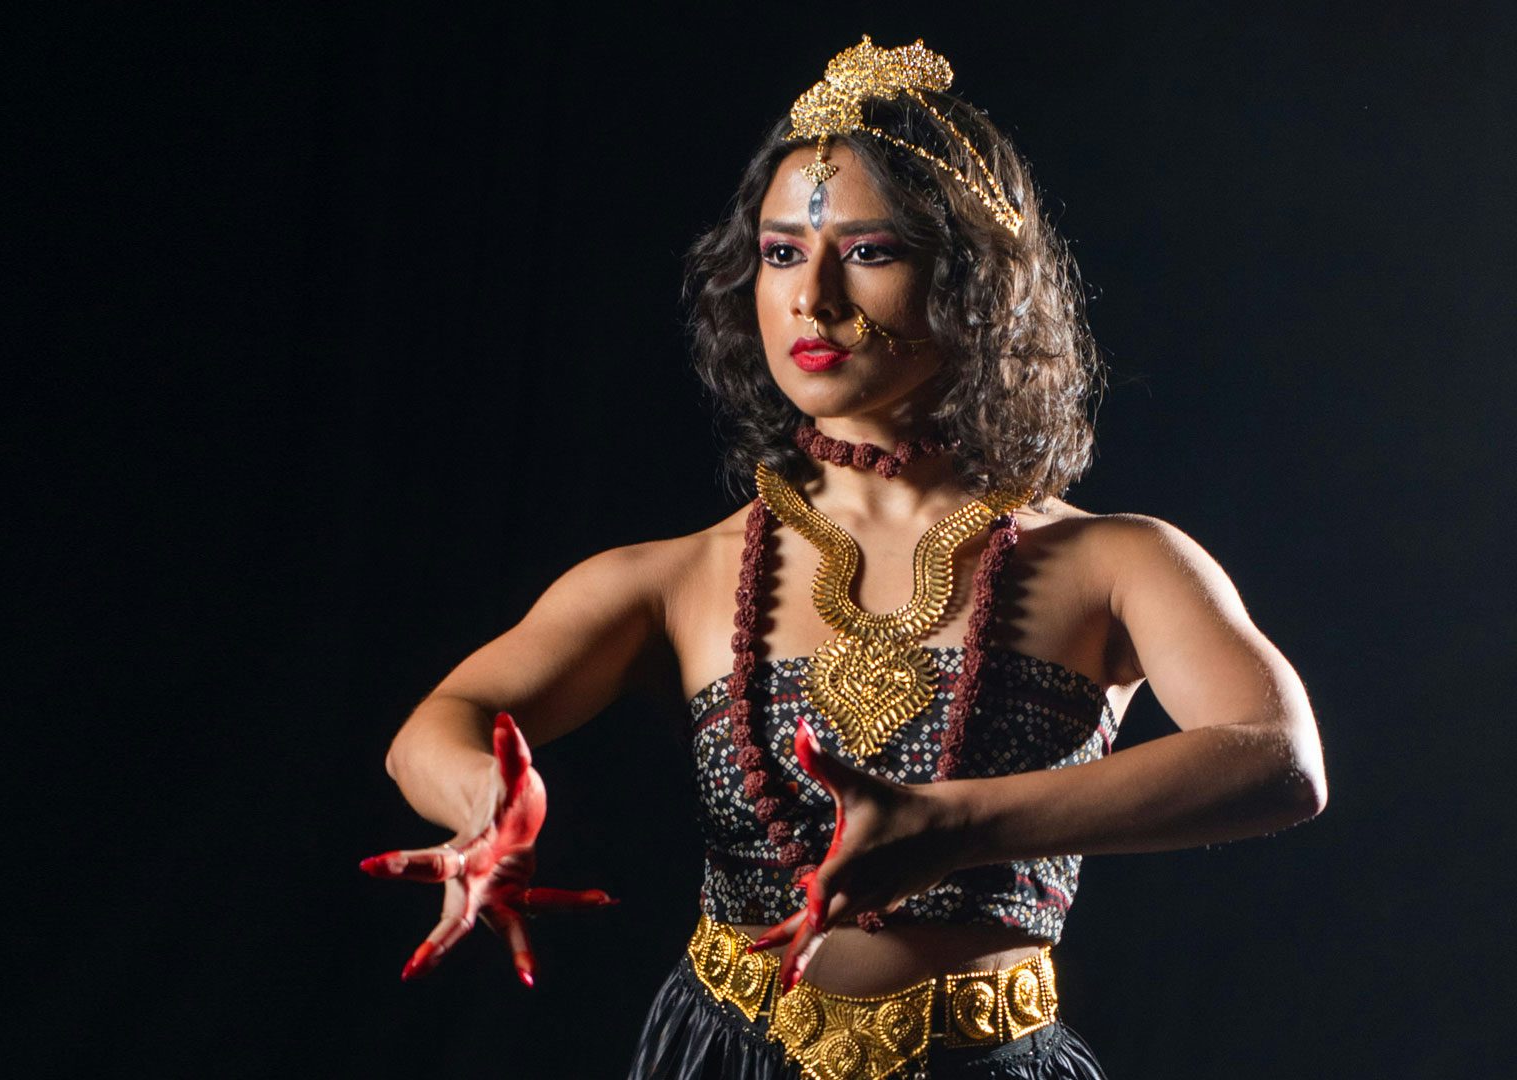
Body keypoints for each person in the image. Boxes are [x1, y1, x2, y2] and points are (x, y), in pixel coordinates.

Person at [361, 36, 1326, 1080]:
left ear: (974, 283)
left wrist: (952, 824)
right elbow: (437, 726)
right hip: (725, 1053)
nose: (812, 296)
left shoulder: (1114, 562)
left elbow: (1277, 757)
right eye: (781, 253)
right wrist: (488, 806)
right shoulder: (676, 578)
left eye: (868, 251)